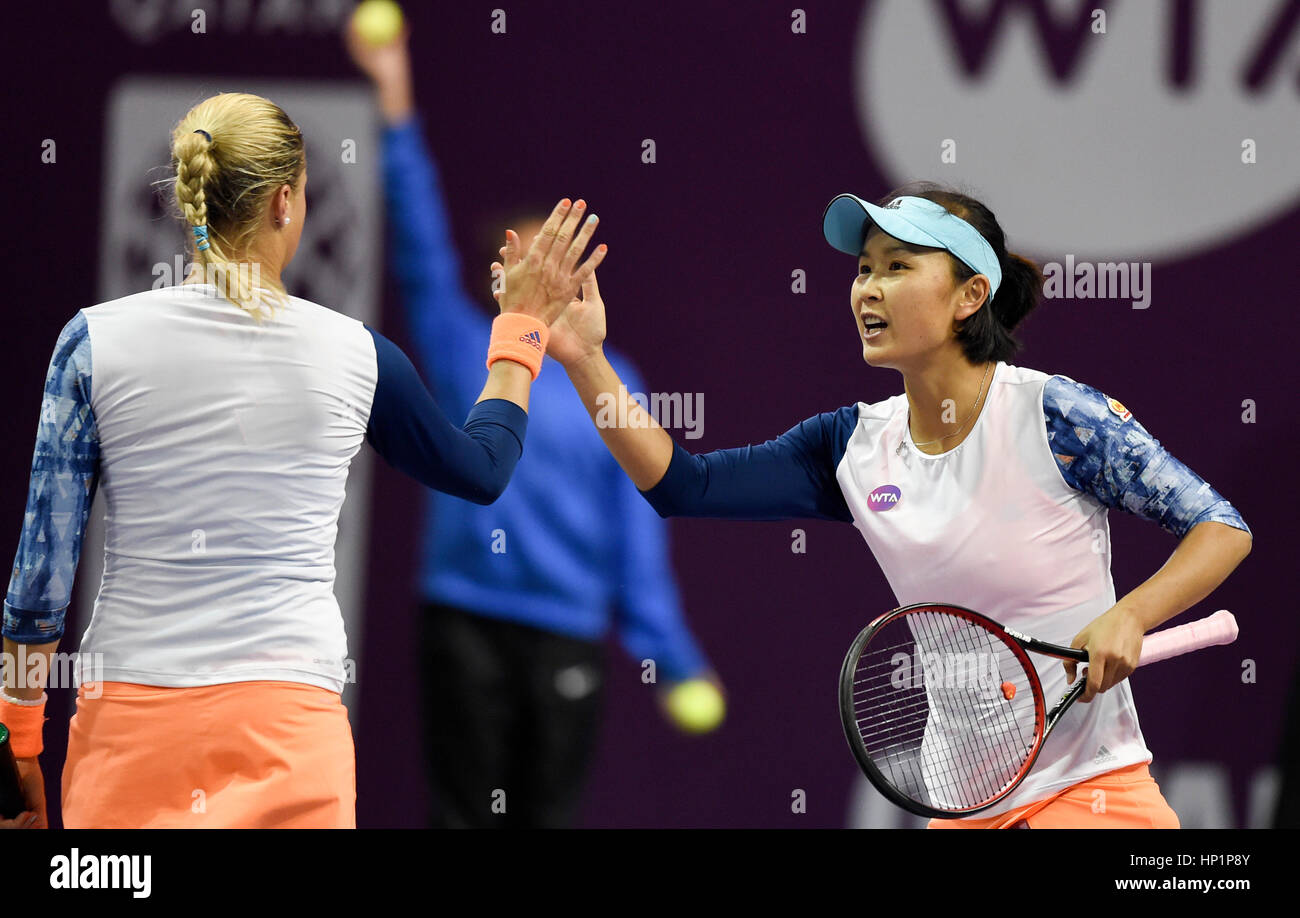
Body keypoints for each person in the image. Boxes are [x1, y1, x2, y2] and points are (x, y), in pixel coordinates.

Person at [510, 183, 1255, 828]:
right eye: (863, 270)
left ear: (970, 296)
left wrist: (1131, 613)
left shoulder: (1057, 417)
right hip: (965, 805)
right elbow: (682, 486)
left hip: (1095, 794)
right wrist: (584, 360)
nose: (867, 288)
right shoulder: (851, 447)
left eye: (898, 268)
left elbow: (1221, 526)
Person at [0, 91, 603, 829]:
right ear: (285, 201)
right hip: (290, 728)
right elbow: (482, 470)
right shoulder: (356, 354)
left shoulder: (91, 343)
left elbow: (41, 576)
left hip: (129, 727)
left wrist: (18, 742)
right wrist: (521, 332)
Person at [344, 22, 721, 828]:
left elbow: (639, 530)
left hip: (565, 638)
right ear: (507, 281)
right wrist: (394, 100)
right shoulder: (460, 347)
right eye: (528, 271)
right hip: (462, 622)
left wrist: (675, 659)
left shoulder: (612, 382)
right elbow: (416, 234)